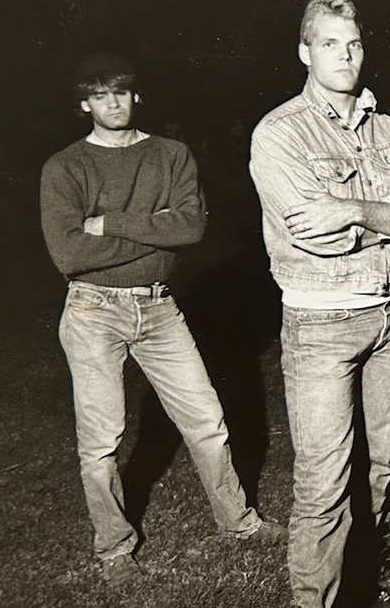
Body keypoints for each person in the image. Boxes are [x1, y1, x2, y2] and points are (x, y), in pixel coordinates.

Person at [39, 52, 285, 588]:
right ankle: (113, 549)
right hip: (92, 310)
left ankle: (238, 522)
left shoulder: (171, 155)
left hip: (158, 306)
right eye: (99, 95)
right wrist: (153, 228)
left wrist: (106, 223)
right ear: (84, 104)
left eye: (120, 92)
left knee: (206, 419)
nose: (112, 103)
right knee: (102, 440)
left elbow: (190, 228)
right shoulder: (65, 167)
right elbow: (69, 254)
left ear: (136, 96)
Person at [249, 0, 390, 608]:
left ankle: (358, 584)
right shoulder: (280, 133)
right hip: (322, 321)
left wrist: (354, 210)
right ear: (305, 52)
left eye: (353, 43)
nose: (345, 55)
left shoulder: (389, 129)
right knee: (324, 484)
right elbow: (315, 233)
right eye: (329, 43)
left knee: (380, 465)